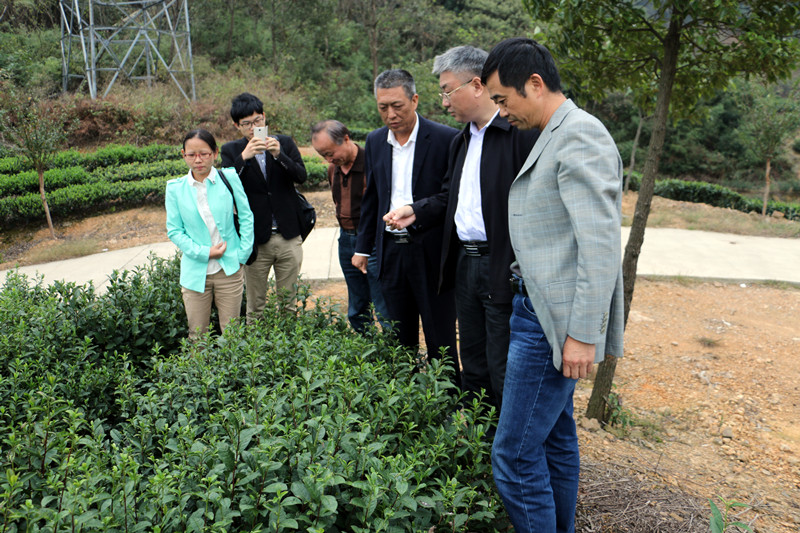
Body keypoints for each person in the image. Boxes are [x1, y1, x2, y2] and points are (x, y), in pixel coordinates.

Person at [481, 38, 624, 532]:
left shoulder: (580, 134)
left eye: (503, 100)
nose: (501, 113)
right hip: (537, 311)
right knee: (554, 441)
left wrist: (582, 333)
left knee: (513, 456)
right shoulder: (554, 132)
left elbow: (599, 246)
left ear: (535, 84)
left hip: (551, 323)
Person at [384, 46, 539, 413]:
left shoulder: (519, 135)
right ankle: (477, 437)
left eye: (447, 91)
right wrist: (415, 211)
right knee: (473, 359)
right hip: (465, 264)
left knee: (503, 363)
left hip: (503, 264)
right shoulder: (462, 141)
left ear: (477, 85)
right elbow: (448, 197)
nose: (444, 102)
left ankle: (506, 439)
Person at [353, 69, 459, 380]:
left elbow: (450, 196)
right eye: (383, 107)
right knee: (399, 336)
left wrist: (416, 212)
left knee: (440, 337)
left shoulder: (445, 139)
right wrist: (363, 247)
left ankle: (448, 398)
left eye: (397, 106)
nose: (390, 114)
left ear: (414, 100)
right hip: (391, 251)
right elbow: (372, 197)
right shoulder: (375, 141)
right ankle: (406, 397)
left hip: (431, 251)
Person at [220, 92, 307, 317]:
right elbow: (225, 188)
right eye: (246, 124)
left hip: (288, 235)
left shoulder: (283, 143)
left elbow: (301, 176)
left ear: (264, 117)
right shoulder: (231, 150)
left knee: (288, 304)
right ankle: (256, 340)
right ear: (237, 125)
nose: (253, 128)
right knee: (255, 306)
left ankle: (288, 339)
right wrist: (244, 158)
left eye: (257, 120)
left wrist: (279, 155)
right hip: (255, 240)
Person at [166, 129, 254, 339]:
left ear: (215, 153)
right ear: (183, 155)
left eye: (204, 154)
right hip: (195, 272)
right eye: (191, 154)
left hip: (229, 268)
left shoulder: (229, 177)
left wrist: (242, 255)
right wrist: (204, 252)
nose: (198, 160)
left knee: (232, 334)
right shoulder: (175, 188)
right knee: (197, 335)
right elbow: (175, 230)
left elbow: (246, 216)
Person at [310, 119, 390, 334]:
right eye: (323, 155)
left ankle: (392, 348)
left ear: (346, 139)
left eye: (330, 153)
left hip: (373, 241)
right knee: (357, 302)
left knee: (383, 302)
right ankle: (365, 345)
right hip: (346, 239)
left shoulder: (372, 164)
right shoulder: (333, 169)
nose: (329, 159)